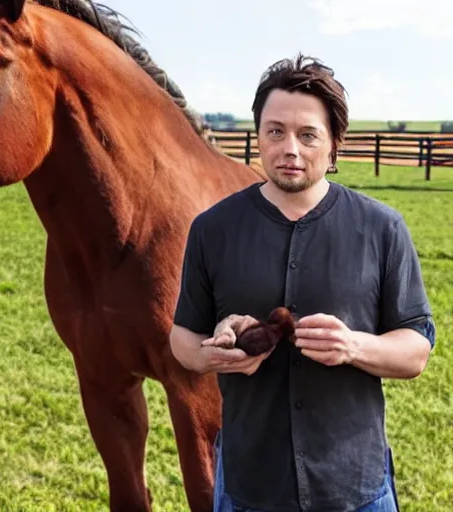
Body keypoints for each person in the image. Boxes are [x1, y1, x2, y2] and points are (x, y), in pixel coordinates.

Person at [169, 53, 435, 512]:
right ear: (259, 137)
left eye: (308, 135)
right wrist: (213, 353)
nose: (289, 148)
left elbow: (416, 350)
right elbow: (182, 339)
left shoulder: (382, 228)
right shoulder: (212, 229)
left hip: (355, 486)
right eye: (275, 131)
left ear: (334, 146)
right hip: (250, 486)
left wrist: (353, 346)